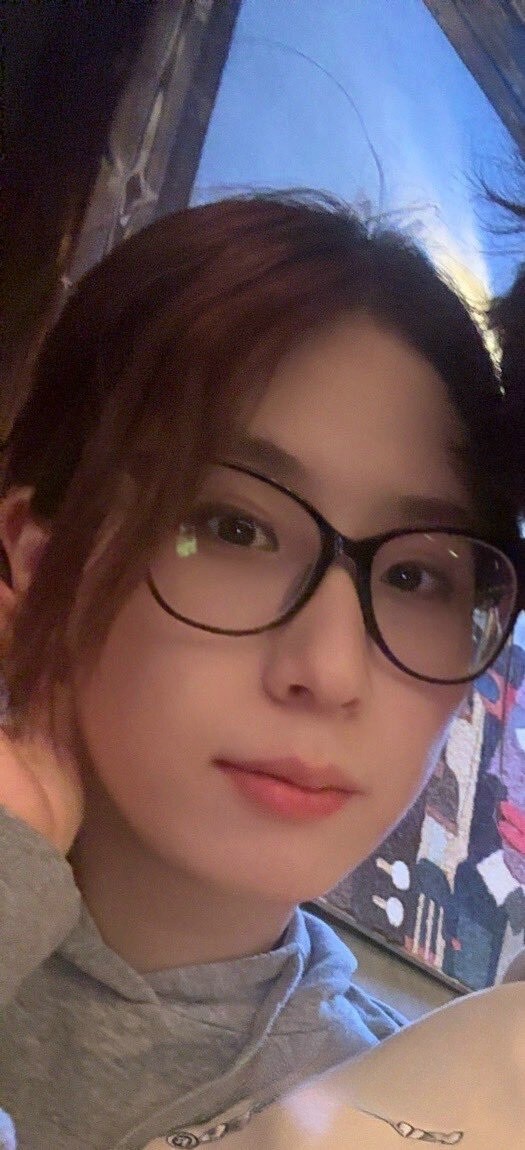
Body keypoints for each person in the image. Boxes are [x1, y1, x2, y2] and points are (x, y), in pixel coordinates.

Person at [0, 191, 522, 1150]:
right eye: (233, 528)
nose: (329, 669)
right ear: (39, 561)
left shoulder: (417, 1115)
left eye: (416, 576)